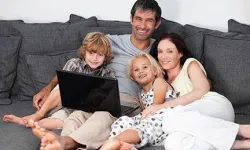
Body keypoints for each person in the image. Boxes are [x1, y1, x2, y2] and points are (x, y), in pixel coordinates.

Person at [25, 0, 163, 149]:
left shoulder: (160, 50)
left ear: (157, 23)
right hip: (95, 97)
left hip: (127, 103)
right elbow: (76, 65)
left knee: (102, 116)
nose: (142, 26)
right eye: (138, 19)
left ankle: (65, 142)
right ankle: (59, 144)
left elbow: (174, 75)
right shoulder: (110, 41)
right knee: (76, 117)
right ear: (131, 19)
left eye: (149, 21)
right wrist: (48, 88)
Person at [99, 33, 250, 150]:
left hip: (214, 107)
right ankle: (241, 145)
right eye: (160, 52)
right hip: (194, 123)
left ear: (180, 54)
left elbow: (200, 91)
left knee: (171, 117)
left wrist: (161, 107)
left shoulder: (190, 65)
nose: (163, 56)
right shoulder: (159, 79)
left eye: (169, 51)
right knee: (173, 143)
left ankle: (242, 129)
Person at [3, 32, 115, 130]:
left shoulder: (108, 74)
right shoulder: (74, 64)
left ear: (105, 57)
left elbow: (106, 98)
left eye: (100, 55)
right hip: (63, 103)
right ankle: (38, 115)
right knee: (62, 88)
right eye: (91, 53)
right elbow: (64, 83)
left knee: (61, 122)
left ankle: (32, 123)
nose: (95, 58)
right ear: (84, 51)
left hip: (82, 110)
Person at [105, 53, 178, 149]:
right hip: (150, 121)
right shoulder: (140, 93)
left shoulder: (159, 82)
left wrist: (141, 121)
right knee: (123, 120)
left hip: (165, 118)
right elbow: (144, 112)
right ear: (132, 77)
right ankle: (123, 145)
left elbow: (156, 106)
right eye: (136, 70)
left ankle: (112, 143)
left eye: (145, 67)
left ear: (155, 71)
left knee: (143, 126)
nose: (141, 71)